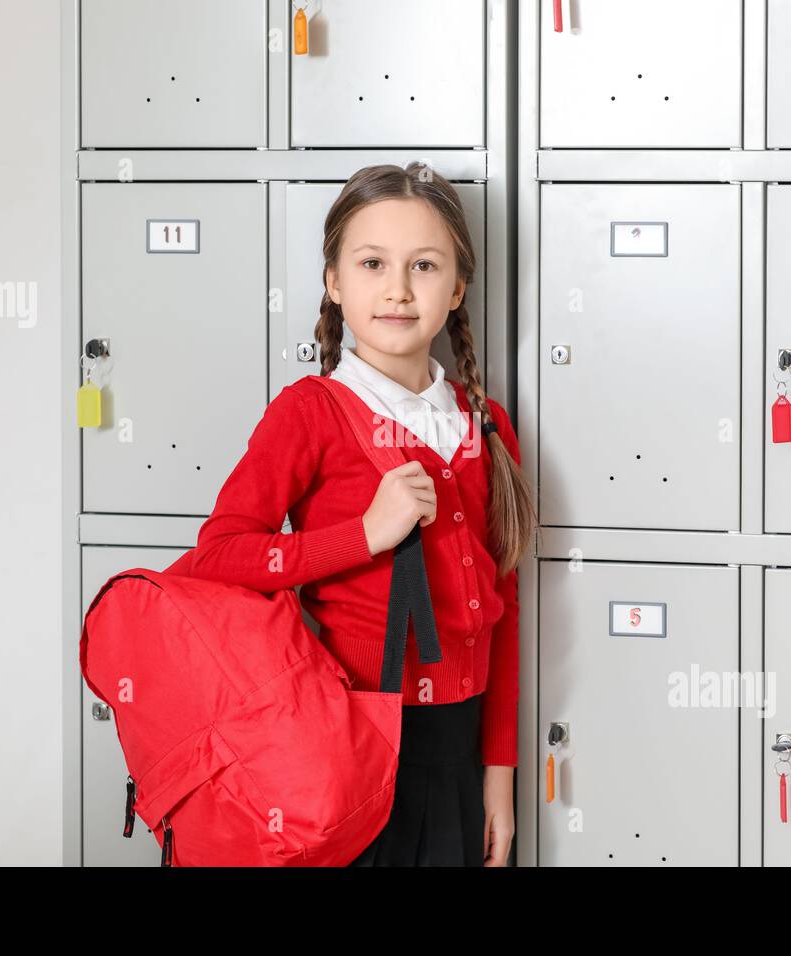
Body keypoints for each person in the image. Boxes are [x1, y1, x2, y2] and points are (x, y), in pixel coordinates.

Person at [181, 161, 536, 866]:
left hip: (456, 758)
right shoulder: (309, 413)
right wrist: (364, 536)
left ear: (458, 287)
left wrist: (500, 777)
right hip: (346, 752)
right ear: (335, 282)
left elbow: (506, 605)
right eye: (372, 263)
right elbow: (215, 557)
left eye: (425, 266)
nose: (398, 289)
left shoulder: (485, 423)